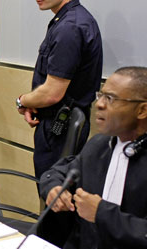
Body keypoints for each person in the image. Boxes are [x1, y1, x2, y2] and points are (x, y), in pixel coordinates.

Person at [39, 66, 147, 249]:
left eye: (111, 98)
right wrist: (54, 188)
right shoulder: (99, 145)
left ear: (142, 110)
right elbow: (59, 172)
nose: (99, 104)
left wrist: (101, 212)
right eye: (101, 95)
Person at [16, 0, 103, 178]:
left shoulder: (69, 27)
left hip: (60, 129)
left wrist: (22, 101)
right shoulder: (66, 21)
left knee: (55, 199)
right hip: (56, 123)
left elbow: (52, 93)